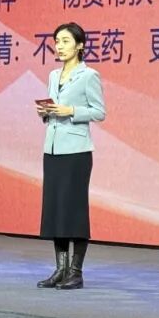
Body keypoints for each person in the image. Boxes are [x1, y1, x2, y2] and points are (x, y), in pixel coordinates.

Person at [35, 22, 106, 290]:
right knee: (56, 210)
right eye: (57, 41)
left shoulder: (89, 76)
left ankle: (76, 272)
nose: (60, 46)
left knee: (74, 210)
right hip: (52, 149)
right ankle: (60, 270)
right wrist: (46, 113)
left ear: (80, 45)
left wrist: (72, 111)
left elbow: (99, 112)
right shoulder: (54, 75)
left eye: (65, 41)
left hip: (76, 152)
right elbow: (54, 109)